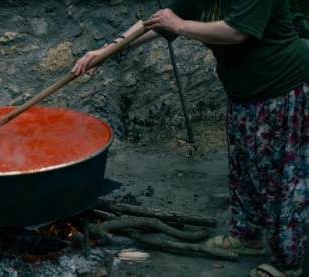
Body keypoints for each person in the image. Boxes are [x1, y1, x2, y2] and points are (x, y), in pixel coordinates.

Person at [72, 1, 309, 276]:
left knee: (282, 179)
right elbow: (157, 22)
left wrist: (180, 26)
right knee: (245, 172)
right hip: (244, 96)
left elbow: (236, 32)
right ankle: (248, 238)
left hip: (283, 91)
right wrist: (106, 51)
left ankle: (288, 264)